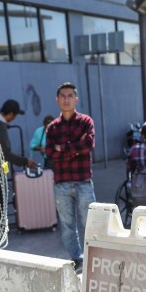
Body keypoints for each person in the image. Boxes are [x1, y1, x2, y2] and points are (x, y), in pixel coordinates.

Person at [45, 82, 95, 271]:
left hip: (83, 182)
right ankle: (78, 259)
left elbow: (89, 145)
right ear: (57, 100)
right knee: (67, 226)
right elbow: (50, 153)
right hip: (62, 183)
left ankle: (93, 259)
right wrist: (75, 147)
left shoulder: (86, 122)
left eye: (70, 96)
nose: (66, 99)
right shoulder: (52, 128)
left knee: (90, 223)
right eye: (63, 96)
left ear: (76, 99)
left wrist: (63, 147)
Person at [0, 98, 38, 232]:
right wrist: (25, 161)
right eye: (14, 115)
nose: (14, 118)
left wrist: (5, 170)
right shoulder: (0, 129)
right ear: (10, 114)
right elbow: (6, 154)